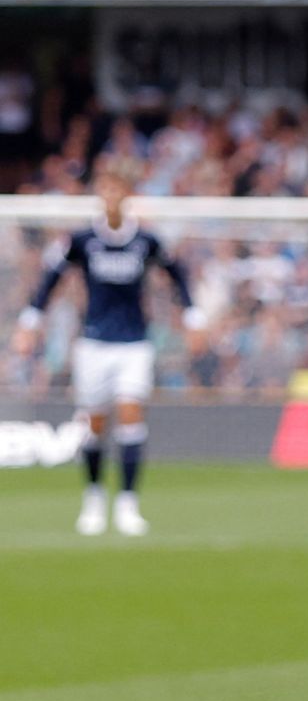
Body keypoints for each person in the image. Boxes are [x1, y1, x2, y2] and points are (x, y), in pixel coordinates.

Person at [13, 170, 202, 536]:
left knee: (131, 416)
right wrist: (30, 319)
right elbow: (51, 279)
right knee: (95, 424)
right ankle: (94, 497)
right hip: (94, 342)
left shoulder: (144, 241)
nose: (110, 196)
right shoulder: (83, 241)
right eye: (104, 190)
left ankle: (128, 503)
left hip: (134, 342)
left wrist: (194, 317)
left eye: (116, 189)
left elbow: (176, 274)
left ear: (127, 194)